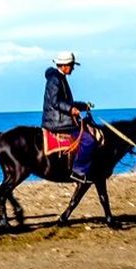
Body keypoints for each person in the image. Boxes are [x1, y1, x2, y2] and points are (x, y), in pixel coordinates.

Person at [41, 52, 95, 181]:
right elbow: (55, 102)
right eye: (71, 65)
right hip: (57, 122)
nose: (73, 68)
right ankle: (78, 171)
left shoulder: (60, 77)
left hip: (59, 118)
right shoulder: (55, 80)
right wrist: (71, 109)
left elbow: (65, 102)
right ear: (64, 65)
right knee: (88, 140)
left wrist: (84, 106)